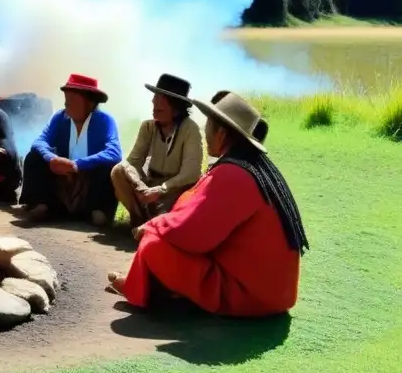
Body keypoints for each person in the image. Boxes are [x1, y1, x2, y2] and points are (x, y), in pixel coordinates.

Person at [106, 92, 309, 317]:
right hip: (275, 294)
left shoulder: (233, 174)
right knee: (160, 237)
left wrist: (154, 225)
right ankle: (152, 286)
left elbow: (192, 234)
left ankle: (140, 288)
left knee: (153, 244)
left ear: (221, 133)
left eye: (209, 125)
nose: (205, 132)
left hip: (249, 295)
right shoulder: (255, 169)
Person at [19, 74, 123, 226]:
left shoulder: (105, 120)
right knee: (34, 157)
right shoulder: (59, 118)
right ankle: (42, 204)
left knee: (111, 166)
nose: (67, 103)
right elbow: (39, 142)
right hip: (61, 177)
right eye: (66, 98)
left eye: (73, 99)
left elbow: (114, 152)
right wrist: (51, 159)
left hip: (90, 181)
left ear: (90, 103)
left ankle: (99, 211)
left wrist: (77, 165)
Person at [111, 74, 204, 228]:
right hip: (149, 185)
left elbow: (191, 172)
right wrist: (140, 186)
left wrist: (161, 190)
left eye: (162, 98)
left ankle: (156, 224)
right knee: (118, 171)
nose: (154, 101)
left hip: (174, 191)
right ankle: (139, 218)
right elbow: (133, 161)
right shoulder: (148, 127)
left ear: (176, 107)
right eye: (155, 96)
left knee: (177, 211)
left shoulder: (190, 129)